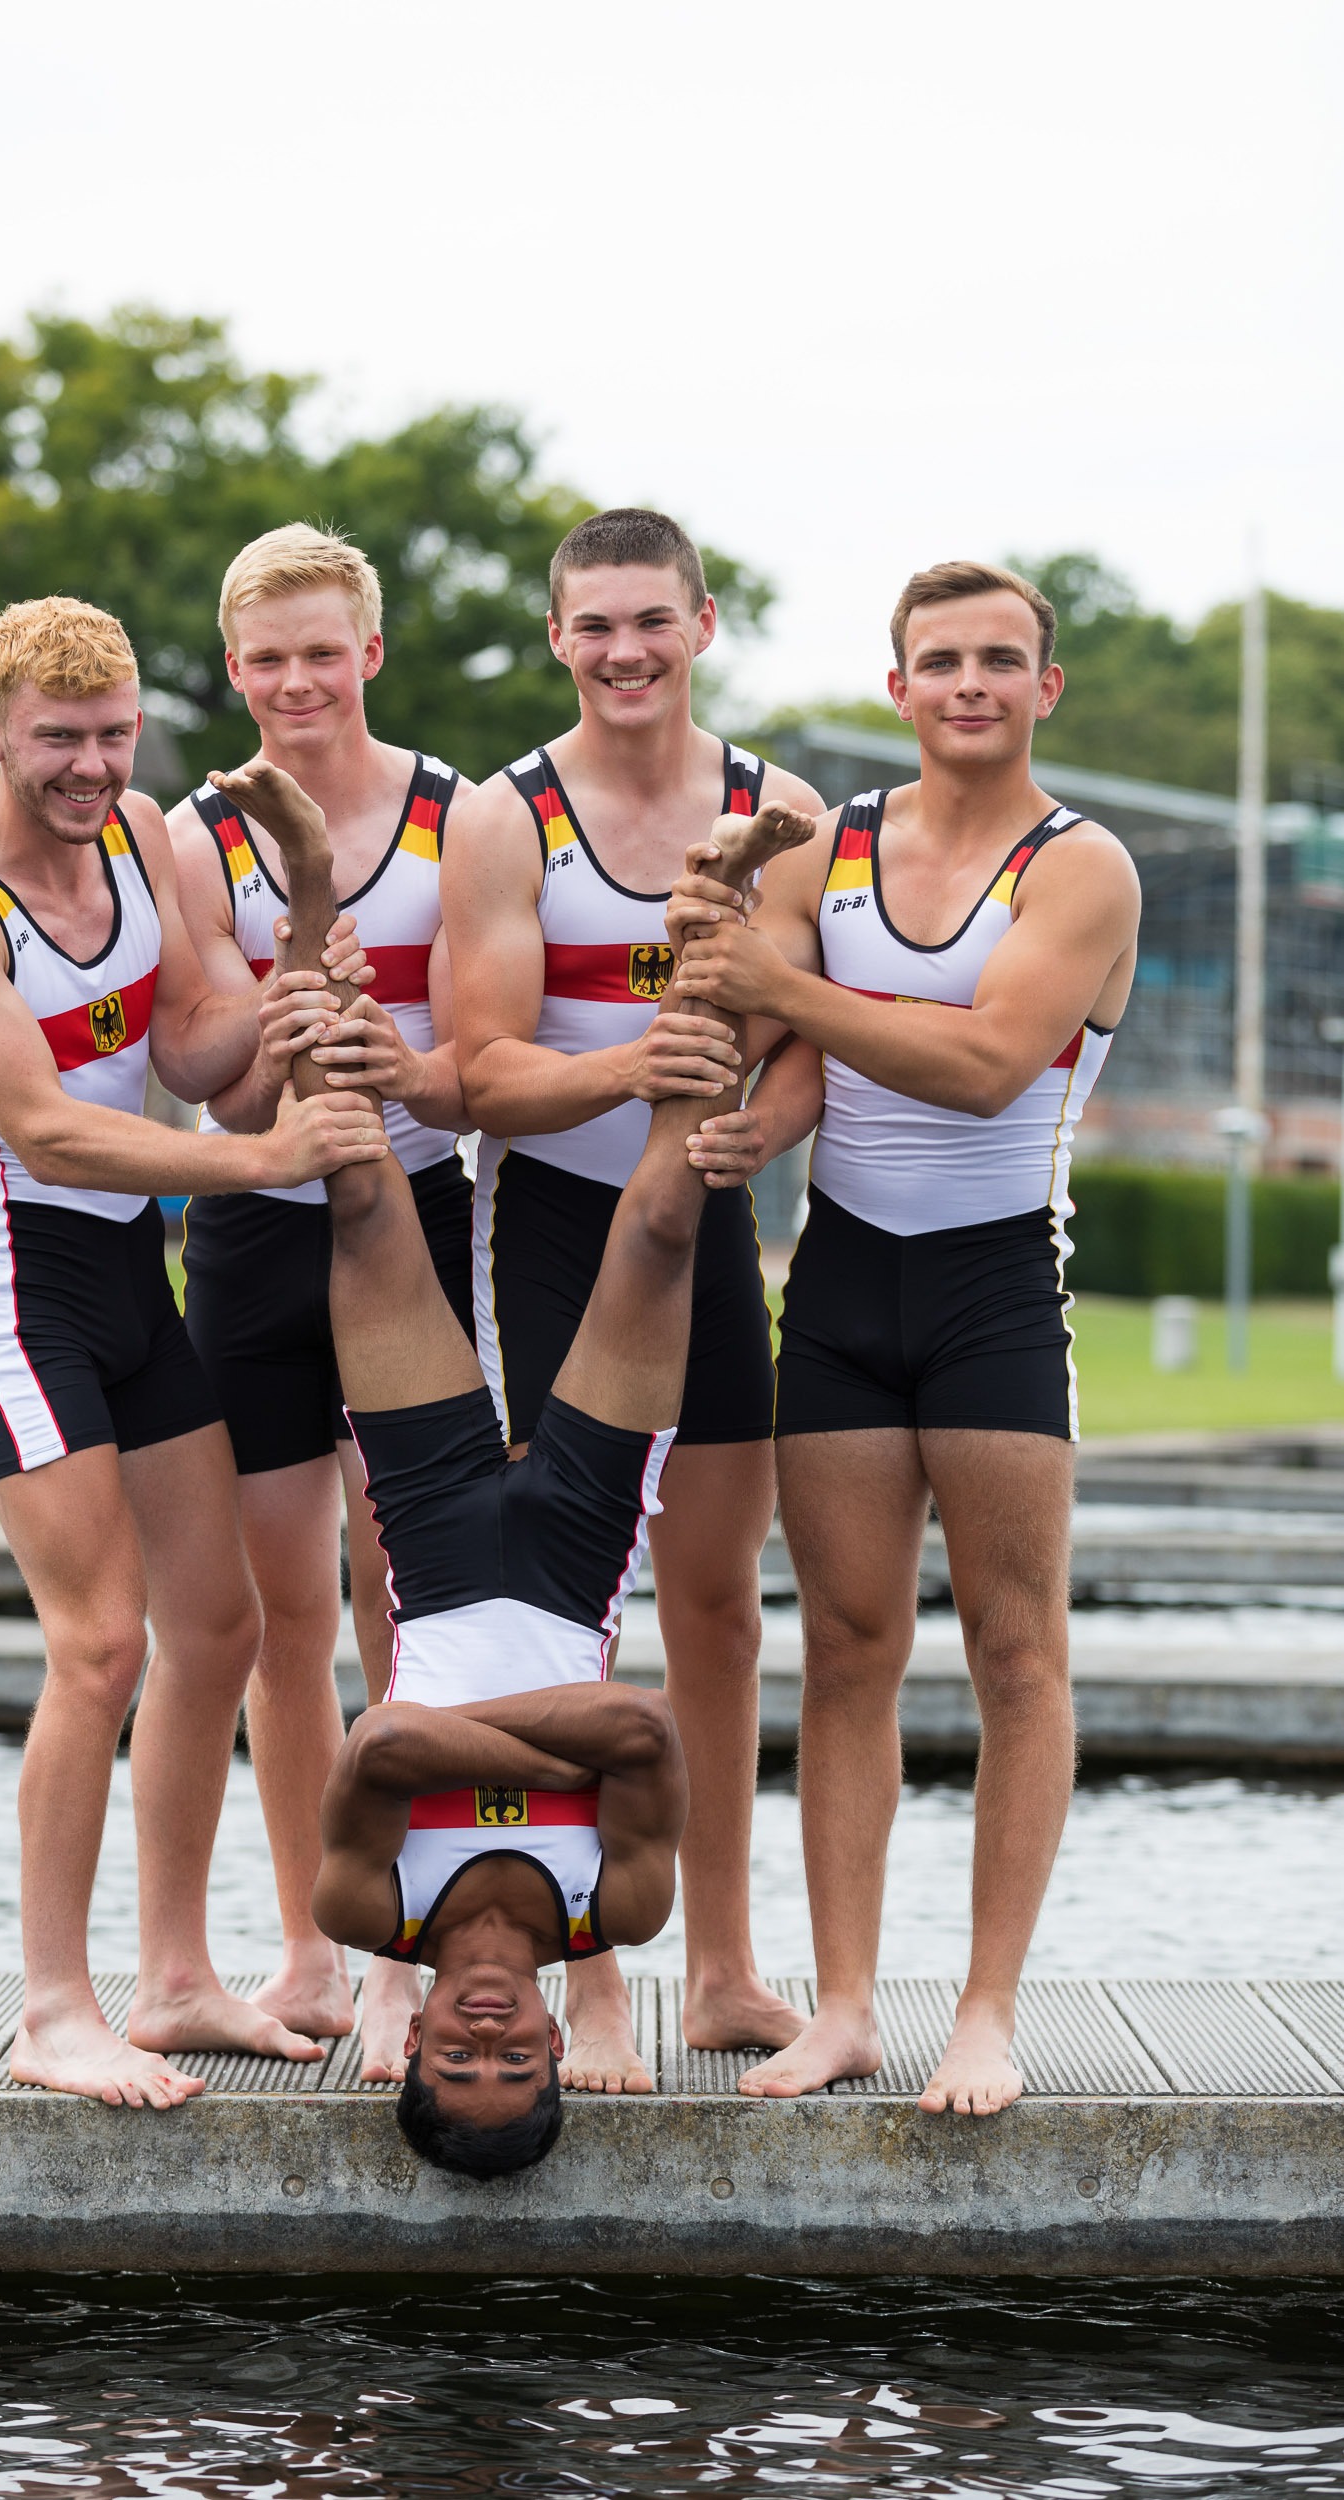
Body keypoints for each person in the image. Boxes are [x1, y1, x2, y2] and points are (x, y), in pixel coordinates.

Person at [224, 758, 809, 2169]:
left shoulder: (380, 1915)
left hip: (428, 1548)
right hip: (574, 1549)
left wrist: (533, 1745)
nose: (485, 2033)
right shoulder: (621, 1909)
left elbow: (385, 1740)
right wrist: (553, 1741)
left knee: (358, 1189)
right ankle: (717, 892)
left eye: (460, 2058)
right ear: (555, 2046)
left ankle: (308, 882)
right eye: (510, 2060)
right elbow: (655, 1731)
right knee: (666, 1224)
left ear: (412, 2043)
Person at [0, 595, 387, 2110]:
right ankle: (53, 2008)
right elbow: (46, 1128)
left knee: (216, 1632)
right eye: (58, 741)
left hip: (129, 1286)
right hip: (17, 1290)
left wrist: (299, 942)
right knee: (98, 1646)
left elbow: (193, 1051)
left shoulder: (142, 839)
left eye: (112, 736)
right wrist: (271, 1159)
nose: (91, 767)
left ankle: (175, 1982)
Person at [670, 559, 1141, 2115]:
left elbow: (994, 1063)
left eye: (1002, 660)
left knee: (1017, 1652)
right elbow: (782, 1046)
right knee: (852, 1651)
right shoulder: (835, 845)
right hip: (849, 1293)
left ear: (1043, 688)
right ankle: (849, 2005)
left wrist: (781, 976)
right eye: (941, 660)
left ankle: (988, 2012)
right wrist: (749, 1098)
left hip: (1000, 1291)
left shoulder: (1083, 871)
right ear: (900, 687)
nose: (971, 685)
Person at [441, 507, 825, 2092]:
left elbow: (810, 1039)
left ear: (703, 623)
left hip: (713, 1228)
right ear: (557, 638)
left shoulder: (781, 809)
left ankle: (726, 1971)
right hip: (554, 1232)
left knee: (720, 1611)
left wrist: (757, 1124)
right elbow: (481, 1068)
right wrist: (642, 1065)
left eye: (649, 622)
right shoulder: (502, 815)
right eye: (594, 626)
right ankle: (590, 1984)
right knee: (561, 1623)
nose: (624, 653)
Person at [166, 524, 472, 2076]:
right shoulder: (189, 828)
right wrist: (293, 973)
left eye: (322, 649)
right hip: (254, 1234)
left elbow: (479, 1046)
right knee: (286, 1613)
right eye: (266, 656)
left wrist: (383, 1031)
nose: (296, 679)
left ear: (370, 653)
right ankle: (307, 1946)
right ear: (236, 671)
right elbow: (220, 1106)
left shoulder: (458, 813)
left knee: (406, 1602)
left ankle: (411, 1951)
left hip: (413, 1219)